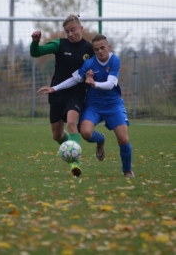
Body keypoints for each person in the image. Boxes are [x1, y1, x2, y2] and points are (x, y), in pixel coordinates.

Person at [37, 34, 134, 178]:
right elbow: (74, 79)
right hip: (93, 105)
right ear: (93, 51)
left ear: (109, 47)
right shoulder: (89, 63)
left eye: (102, 48)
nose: (100, 51)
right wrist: (55, 88)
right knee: (86, 133)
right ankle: (100, 139)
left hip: (113, 105)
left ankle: (127, 170)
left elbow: (111, 84)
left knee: (123, 139)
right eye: (96, 49)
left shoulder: (114, 60)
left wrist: (94, 83)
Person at [31, 14, 94, 177]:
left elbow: (99, 68)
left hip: (77, 93)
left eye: (73, 30)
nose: (70, 34)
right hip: (57, 92)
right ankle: (70, 147)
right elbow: (36, 53)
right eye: (67, 32)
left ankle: (76, 165)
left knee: (72, 122)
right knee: (56, 135)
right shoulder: (60, 44)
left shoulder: (89, 48)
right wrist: (35, 42)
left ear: (81, 28)